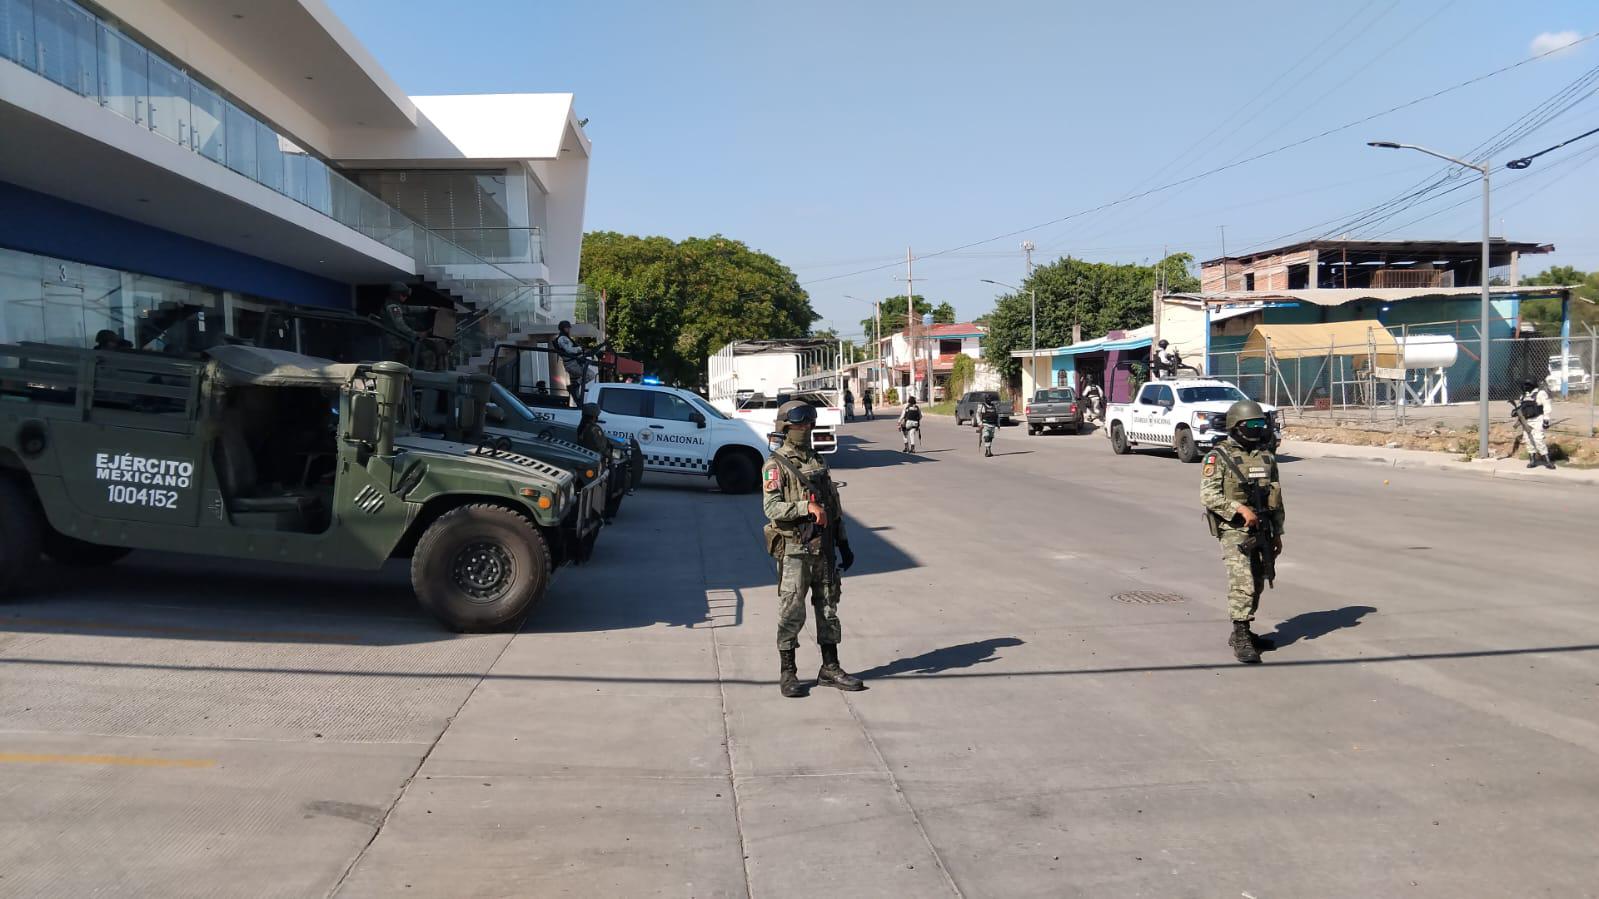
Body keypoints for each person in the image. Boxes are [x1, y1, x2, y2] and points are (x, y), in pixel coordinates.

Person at [761, 400, 861, 698]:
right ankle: (788, 673)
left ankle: (830, 668)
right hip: (795, 550)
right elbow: (771, 508)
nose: (805, 428)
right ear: (785, 426)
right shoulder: (775, 464)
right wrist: (806, 506)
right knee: (792, 610)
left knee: (828, 608)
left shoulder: (818, 460)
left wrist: (844, 543)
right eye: (799, 424)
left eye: (808, 423)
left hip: (825, 547)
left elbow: (834, 506)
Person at [1200, 399, 1285, 664]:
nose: (1258, 428)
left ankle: (1246, 629)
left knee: (1259, 579)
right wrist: (1239, 509)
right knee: (1243, 582)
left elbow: (1277, 497)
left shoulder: (1266, 456)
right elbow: (1209, 495)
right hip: (1234, 529)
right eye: (1253, 424)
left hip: (1263, 527)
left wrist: (1278, 533)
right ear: (1236, 426)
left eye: (1262, 423)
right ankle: (1240, 635)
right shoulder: (1218, 456)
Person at [1517, 378, 1556, 469]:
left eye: (1526, 385)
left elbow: (1547, 406)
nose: (1525, 387)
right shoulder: (1523, 396)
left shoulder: (1540, 394)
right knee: (1528, 439)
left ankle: (1547, 461)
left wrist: (1546, 420)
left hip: (1538, 419)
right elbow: (1521, 407)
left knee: (1538, 439)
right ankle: (1532, 461)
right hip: (1526, 421)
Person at [553, 320, 592, 406]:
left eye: (568, 328)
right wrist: (580, 349)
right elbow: (569, 350)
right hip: (572, 364)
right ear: (563, 328)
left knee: (577, 393)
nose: (569, 329)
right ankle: (574, 386)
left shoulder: (565, 338)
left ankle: (578, 402)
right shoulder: (562, 339)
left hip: (574, 363)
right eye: (567, 328)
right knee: (590, 374)